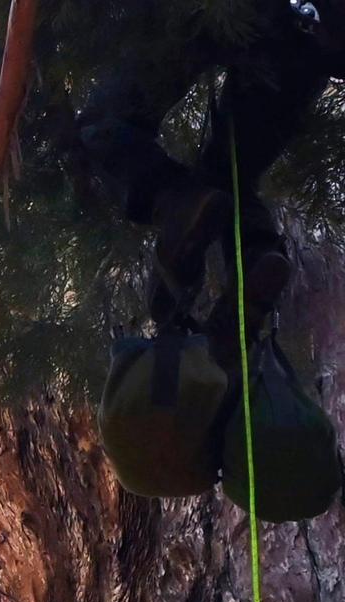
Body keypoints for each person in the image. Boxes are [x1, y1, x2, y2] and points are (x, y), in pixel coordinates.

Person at [77, 0, 345, 366]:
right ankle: (256, 254)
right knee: (229, 174)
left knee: (101, 124)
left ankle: (172, 201)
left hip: (223, 13)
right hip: (314, 44)